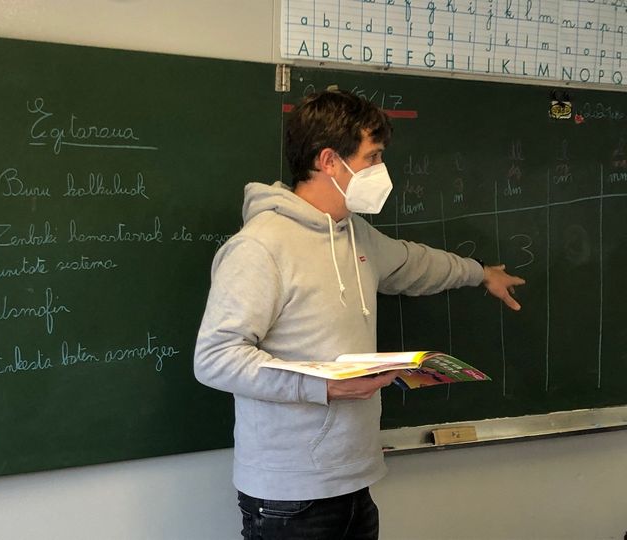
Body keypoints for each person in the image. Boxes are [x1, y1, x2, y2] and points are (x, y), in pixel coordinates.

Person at [194, 89, 525, 540]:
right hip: (290, 495)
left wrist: (479, 274)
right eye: (373, 157)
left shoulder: (355, 236)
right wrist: (321, 386)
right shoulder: (259, 247)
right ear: (330, 161)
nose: (380, 170)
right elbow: (216, 358)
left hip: (354, 478)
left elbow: (413, 264)